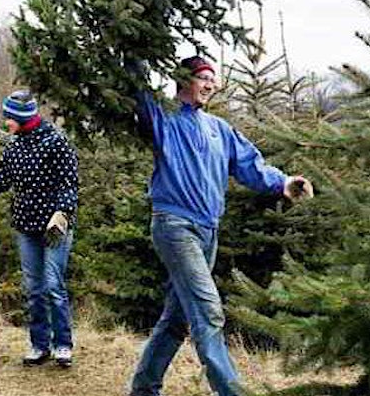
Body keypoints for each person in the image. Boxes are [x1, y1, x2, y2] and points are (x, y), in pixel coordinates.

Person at [127, 56, 314, 396]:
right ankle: (230, 391)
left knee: (178, 318)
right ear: (184, 80)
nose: (211, 84)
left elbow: (250, 165)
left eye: (214, 78)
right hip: (174, 224)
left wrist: (283, 182)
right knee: (208, 311)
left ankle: (143, 389)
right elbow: (138, 88)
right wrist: (134, 53)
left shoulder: (219, 128)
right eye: (203, 77)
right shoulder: (163, 119)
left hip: (208, 230)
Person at [0, 89, 79, 368]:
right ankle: (39, 345)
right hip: (25, 227)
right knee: (34, 288)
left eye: (8, 117)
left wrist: (62, 213)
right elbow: (1, 179)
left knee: (54, 286)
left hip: (54, 227)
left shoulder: (56, 142)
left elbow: (69, 184)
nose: (5, 121)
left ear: (21, 117)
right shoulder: (15, 146)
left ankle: (63, 346)